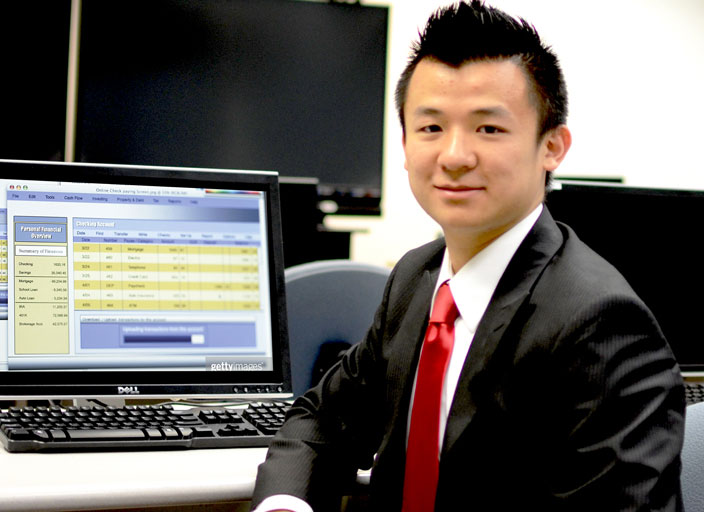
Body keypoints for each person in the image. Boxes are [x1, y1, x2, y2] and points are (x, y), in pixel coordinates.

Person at [251, 1, 686, 510]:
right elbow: (324, 419)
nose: (454, 156)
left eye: (489, 129)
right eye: (431, 128)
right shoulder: (416, 276)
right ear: (407, 143)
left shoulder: (601, 325)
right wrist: (284, 503)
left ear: (553, 147)